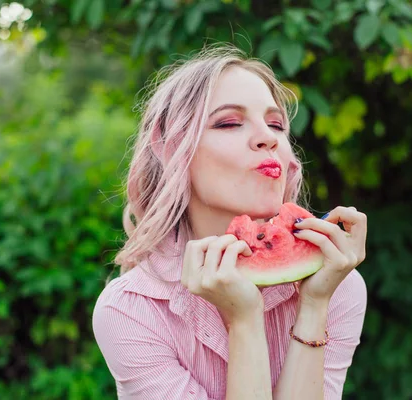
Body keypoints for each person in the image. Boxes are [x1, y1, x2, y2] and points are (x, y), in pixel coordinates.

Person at [92, 44, 368, 400]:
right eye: (229, 122)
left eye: (276, 125)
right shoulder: (132, 311)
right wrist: (244, 320)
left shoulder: (336, 285)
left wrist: (314, 306)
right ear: (171, 148)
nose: (269, 137)